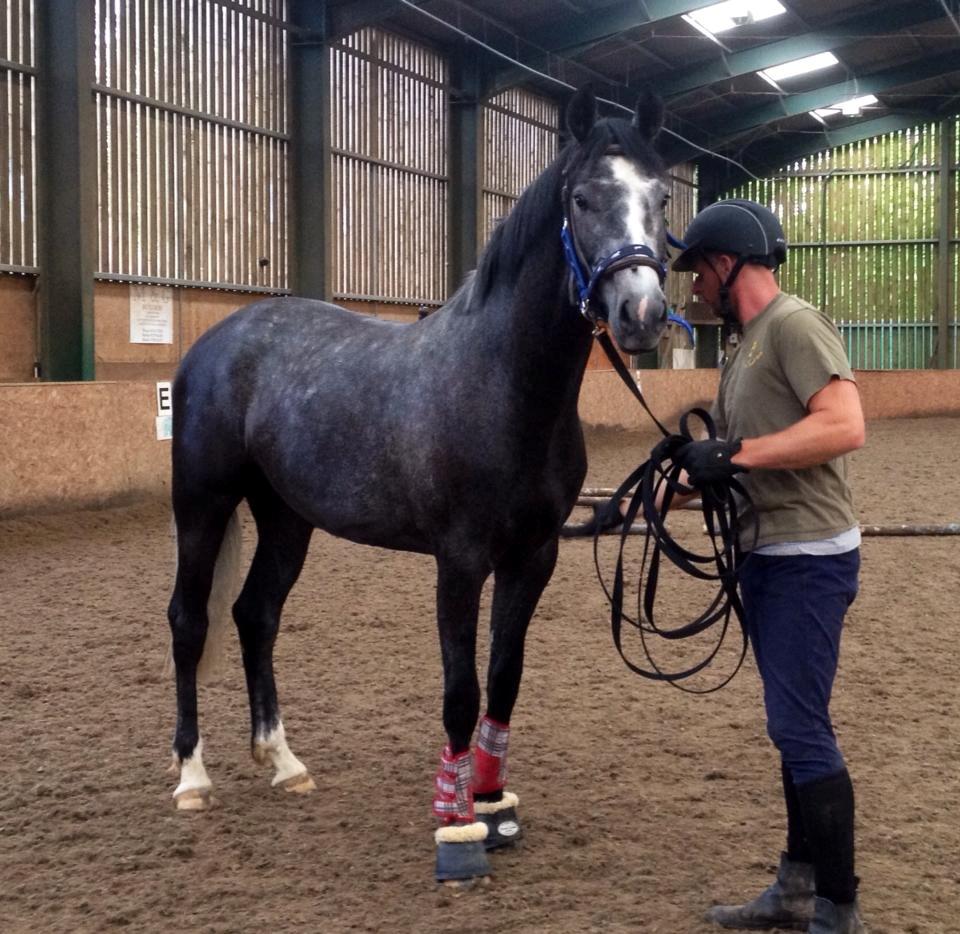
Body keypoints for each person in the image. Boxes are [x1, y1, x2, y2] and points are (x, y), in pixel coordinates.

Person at [667, 199, 867, 934]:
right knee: (794, 727)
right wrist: (641, 505)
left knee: (802, 728)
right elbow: (724, 464)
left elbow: (845, 425)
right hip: (768, 555)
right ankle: (797, 882)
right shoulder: (743, 348)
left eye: (697, 273)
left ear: (726, 265)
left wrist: (736, 454)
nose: (692, 290)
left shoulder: (792, 325)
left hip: (807, 559)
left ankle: (838, 909)